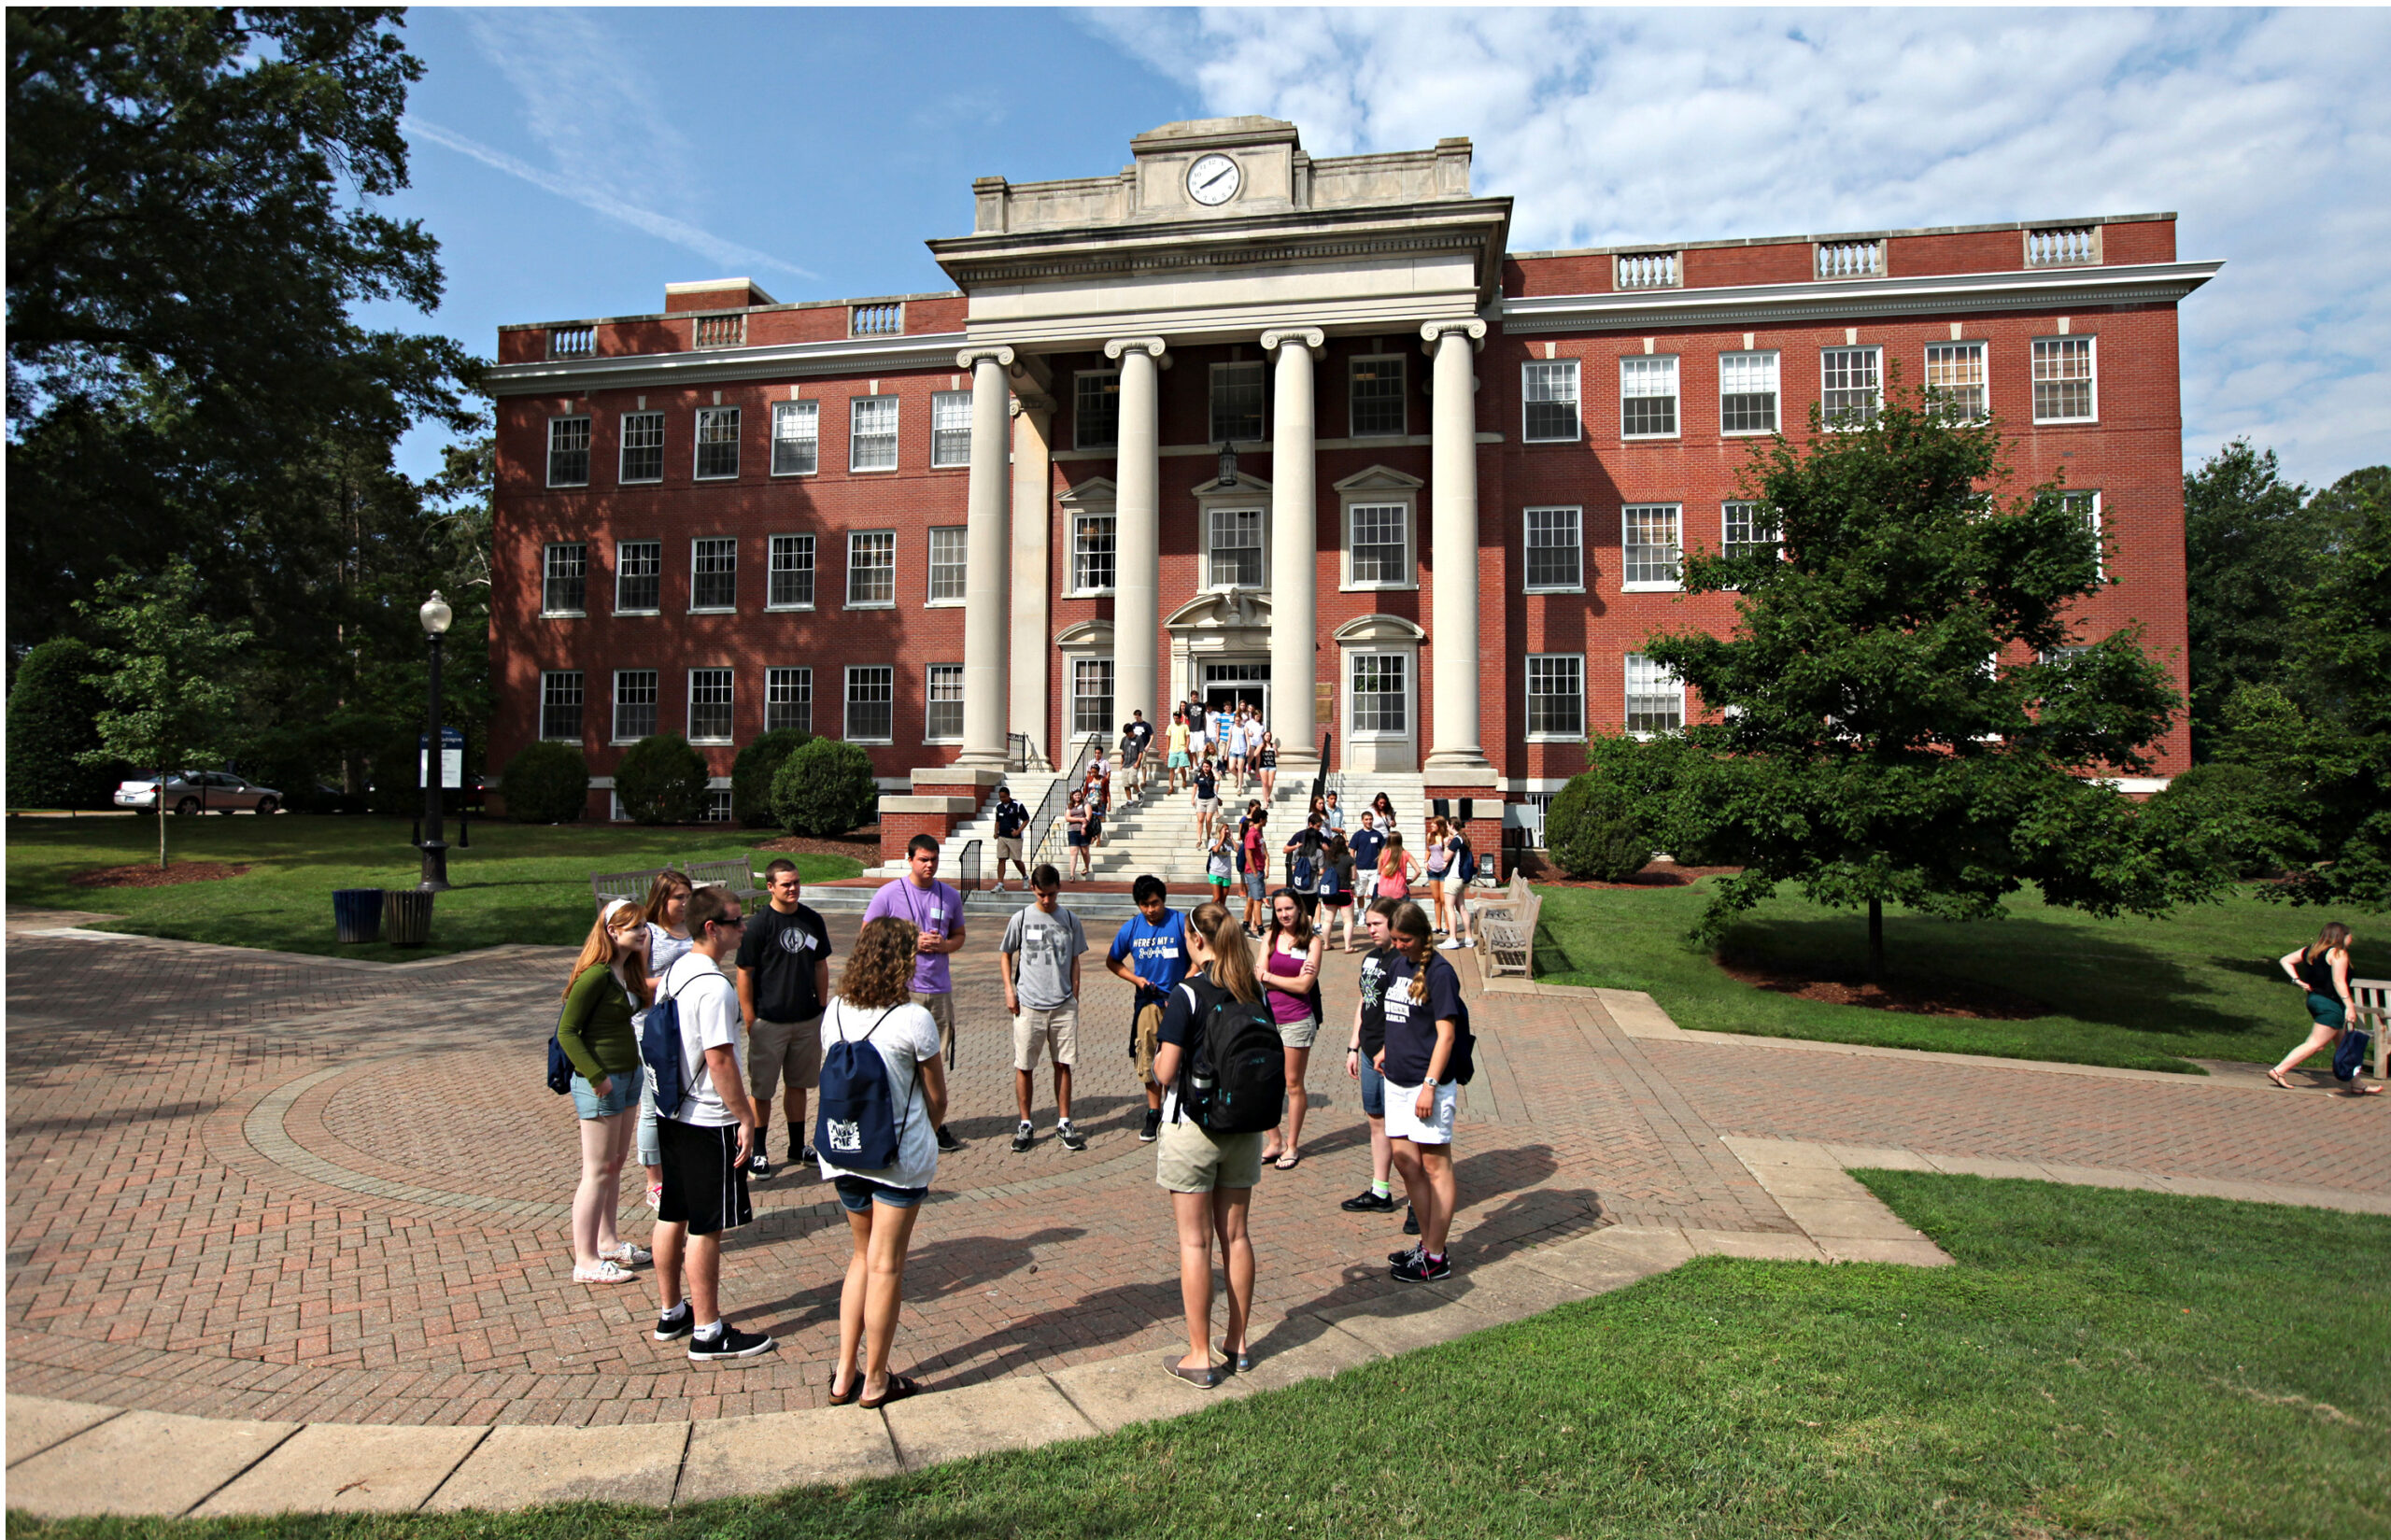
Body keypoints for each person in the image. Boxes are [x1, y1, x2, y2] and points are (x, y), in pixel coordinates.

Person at [818, 916, 947, 1408]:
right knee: (887, 1265)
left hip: (845, 1151)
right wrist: (929, 1131)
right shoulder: (914, 1019)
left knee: (860, 1257)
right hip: (896, 1158)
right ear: (904, 960)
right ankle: (875, 1379)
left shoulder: (834, 1011)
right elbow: (938, 1098)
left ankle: (844, 1371)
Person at [651, 884, 774, 1360]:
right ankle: (708, 1331)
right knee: (706, 1225)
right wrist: (745, 1116)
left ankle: (671, 1311)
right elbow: (720, 1059)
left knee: (672, 1212)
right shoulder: (713, 986)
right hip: (707, 1116)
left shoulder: (676, 970)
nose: (743, 929)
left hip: (671, 1110)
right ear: (711, 928)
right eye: (735, 922)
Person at [1151, 903, 1266, 1387]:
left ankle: (1198, 1354)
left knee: (1194, 1243)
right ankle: (1237, 1342)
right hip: (1244, 1126)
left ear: (1197, 940)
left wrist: (1157, 1049)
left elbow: (1165, 1071)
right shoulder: (1252, 988)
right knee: (1236, 1237)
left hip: (1193, 1127)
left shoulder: (1188, 993)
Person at [558, 900, 653, 1284]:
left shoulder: (625, 970)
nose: (643, 932)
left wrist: (642, 958)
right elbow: (567, 1031)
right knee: (596, 1171)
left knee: (614, 1164)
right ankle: (585, 1259)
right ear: (612, 931)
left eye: (644, 926)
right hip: (602, 1081)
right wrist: (596, 1076)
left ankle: (608, 1241)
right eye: (634, 928)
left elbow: (643, 1003)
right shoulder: (594, 976)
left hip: (629, 1077)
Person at [1377, 900, 1466, 1282]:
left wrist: (1430, 1086)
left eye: (1405, 939)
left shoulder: (1441, 973)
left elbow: (1446, 1035)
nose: (1398, 945)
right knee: (1404, 1159)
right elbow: (1398, 1015)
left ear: (1422, 934)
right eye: (1395, 938)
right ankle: (1426, 1243)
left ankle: (1436, 1254)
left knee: (1434, 1164)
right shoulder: (1399, 963)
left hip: (1426, 1084)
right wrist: (1385, 1049)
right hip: (1395, 1079)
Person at [862, 835, 968, 1151]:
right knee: (900, 1060)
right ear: (909, 859)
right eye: (923, 859)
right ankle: (899, 1122)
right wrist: (910, 943)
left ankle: (932, 1125)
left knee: (934, 1060)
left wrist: (944, 945)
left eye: (934, 859)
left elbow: (960, 935)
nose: (929, 865)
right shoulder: (889, 894)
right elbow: (867, 936)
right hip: (902, 990)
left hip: (938, 990)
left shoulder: (948, 895)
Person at [735, 858, 832, 1178]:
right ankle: (758, 1151)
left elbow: (820, 964)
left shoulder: (812, 920)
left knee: (799, 1085)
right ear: (770, 887)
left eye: (796, 882)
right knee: (762, 1089)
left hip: (805, 1020)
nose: (793, 888)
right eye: (786, 884)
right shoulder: (759, 925)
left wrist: (821, 1007)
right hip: (768, 1021)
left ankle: (796, 1146)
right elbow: (744, 973)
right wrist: (750, 1018)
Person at [999, 864, 1089, 1151]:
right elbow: (1006, 953)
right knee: (1024, 1065)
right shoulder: (1022, 917)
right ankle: (1025, 1123)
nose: (1047, 901)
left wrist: (1074, 993)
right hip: (1029, 1005)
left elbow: (1076, 958)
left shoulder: (1070, 920)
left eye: (1051, 894)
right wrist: (1009, 990)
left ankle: (1064, 1121)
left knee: (1063, 1064)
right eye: (1041, 895)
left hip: (1062, 1005)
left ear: (1059, 888)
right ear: (1033, 891)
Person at [1108, 874, 1193, 1144]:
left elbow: (1199, 959)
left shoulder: (1180, 923)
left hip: (1180, 1002)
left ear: (1163, 900)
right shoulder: (1131, 928)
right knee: (1148, 1057)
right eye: (1144, 905)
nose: (1150, 910)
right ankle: (1154, 1112)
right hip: (1149, 1003)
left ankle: (1178, 1106)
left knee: (1183, 1057)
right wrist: (1136, 979)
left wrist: (1184, 983)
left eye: (1155, 903)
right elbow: (1113, 961)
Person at [633, 869, 697, 1214]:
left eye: (688, 897)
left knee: (682, 1101)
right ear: (662, 899)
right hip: (652, 1028)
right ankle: (653, 1180)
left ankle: (680, 1166)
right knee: (653, 1105)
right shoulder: (649, 934)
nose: (685, 904)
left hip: (687, 1026)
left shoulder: (692, 930)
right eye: (678, 898)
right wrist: (675, 979)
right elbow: (638, 985)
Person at [1340, 898, 1405, 1219]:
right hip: (1367, 1052)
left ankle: (1419, 1203)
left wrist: (1387, 1049)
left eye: (1376, 923)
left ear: (1394, 924)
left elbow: (1406, 1014)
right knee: (1376, 1120)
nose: (1370, 928)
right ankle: (1381, 1190)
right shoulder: (1370, 958)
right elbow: (1365, 1002)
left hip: (1391, 1056)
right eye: (1367, 923)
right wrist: (1354, 1045)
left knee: (1402, 1130)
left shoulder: (1401, 961)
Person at [1259, 887, 1324, 1170]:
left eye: (1288, 908)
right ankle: (1274, 1140)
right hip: (1267, 1018)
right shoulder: (1270, 937)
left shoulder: (1313, 942)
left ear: (1299, 908)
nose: (1284, 914)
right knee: (1260, 1080)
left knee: (1292, 1082)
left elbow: (1304, 986)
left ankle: (1293, 1145)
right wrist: (1275, 979)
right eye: (1279, 910)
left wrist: (1271, 978)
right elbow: (1257, 975)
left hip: (1297, 1020)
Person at [2269, 923, 2376, 1093]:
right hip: (2331, 1004)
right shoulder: (2339, 954)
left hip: (2315, 1000)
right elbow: (2338, 981)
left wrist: (2297, 980)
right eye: (2349, 935)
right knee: (2315, 1043)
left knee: (2343, 1044)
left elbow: (2286, 960)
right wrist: (2350, 1006)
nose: (2352, 939)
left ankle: (2357, 1084)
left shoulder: (2312, 951)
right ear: (2342, 936)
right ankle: (2279, 1070)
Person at [1317, 831, 1357, 952]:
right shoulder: (1349, 859)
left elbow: (1323, 872)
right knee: (1348, 921)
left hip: (1330, 892)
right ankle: (1348, 946)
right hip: (1344, 890)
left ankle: (1327, 944)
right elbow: (1354, 876)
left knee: (1328, 920)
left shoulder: (1328, 858)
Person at [989, 784, 1030, 893]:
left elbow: (1026, 819)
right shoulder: (999, 806)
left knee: (1016, 860)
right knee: (1001, 859)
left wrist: (1018, 831)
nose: (1002, 799)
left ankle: (1025, 877)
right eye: (1000, 797)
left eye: (1004, 797)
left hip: (1014, 837)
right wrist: (995, 832)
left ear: (1008, 796)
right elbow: (997, 820)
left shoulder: (1017, 805)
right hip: (1002, 836)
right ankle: (1000, 883)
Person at [1423, 815, 1456, 938]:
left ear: (1440, 825)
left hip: (1443, 870)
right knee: (1436, 899)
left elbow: (1451, 852)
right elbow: (1428, 850)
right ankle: (1438, 925)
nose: (1431, 826)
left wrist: (1446, 862)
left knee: (1444, 900)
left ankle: (1447, 926)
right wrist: (1425, 862)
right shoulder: (1430, 836)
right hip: (1432, 870)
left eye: (1433, 824)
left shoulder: (1448, 837)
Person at [1240, 808, 1270, 937]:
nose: (1266, 821)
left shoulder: (1258, 833)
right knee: (1258, 900)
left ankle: (1245, 924)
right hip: (1254, 870)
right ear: (1261, 819)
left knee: (1252, 899)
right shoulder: (1252, 834)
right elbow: (1249, 853)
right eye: (1265, 819)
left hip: (1258, 868)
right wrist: (1254, 871)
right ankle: (1260, 928)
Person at [1348, 811, 1385, 903]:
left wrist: (1380, 861)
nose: (1369, 821)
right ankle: (1361, 913)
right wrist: (1353, 865)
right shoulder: (1358, 835)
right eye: (1366, 819)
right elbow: (1352, 850)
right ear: (1362, 820)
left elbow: (1384, 850)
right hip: (1361, 869)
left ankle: (1372, 912)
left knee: (1375, 894)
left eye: (1370, 819)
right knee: (1360, 893)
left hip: (1374, 869)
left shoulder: (1378, 834)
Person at [1377, 830, 1422, 902]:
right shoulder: (1405, 854)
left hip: (1384, 889)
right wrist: (1411, 880)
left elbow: (1379, 871)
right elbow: (1418, 871)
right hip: (1399, 890)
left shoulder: (1383, 853)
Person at [1205, 823, 1236, 910]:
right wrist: (1221, 839)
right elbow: (1215, 849)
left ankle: (1220, 917)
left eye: (1227, 829)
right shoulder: (1213, 841)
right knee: (1217, 897)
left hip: (1226, 873)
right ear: (1219, 830)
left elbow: (1238, 849)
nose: (1227, 831)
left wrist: (1232, 839)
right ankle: (1209, 913)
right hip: (1215, 872)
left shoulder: (1229, 842)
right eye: (1225, 829)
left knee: (1223, 900)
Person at [1192, 756, 1221, 847]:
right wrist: (1192, 798)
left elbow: (1218, 778)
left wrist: (1213, 770)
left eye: (1207, 766)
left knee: (1208, 820)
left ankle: (1208, 835)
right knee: (1200, 820)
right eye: (1204, 766)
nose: (1205, 768)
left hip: (1211, 799)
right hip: (1201, 799)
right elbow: (1195, 787)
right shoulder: (1198, 776)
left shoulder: (1212, 775)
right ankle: (1199, 839)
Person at [1065, 787, 1092, 880]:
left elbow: (1088, 817)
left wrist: (1084, 827)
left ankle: (1087, 867)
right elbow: (1068, 818)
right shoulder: (1070, 806)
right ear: (1072, 796)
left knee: (1085, 852)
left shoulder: (1085, 803)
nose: (1077, 796)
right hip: (1072, 830)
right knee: (1073, 853)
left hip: (1083, 830)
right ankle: (1072, 874)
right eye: (1075, 795)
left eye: (1079, 795)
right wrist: (1079, 819)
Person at [1165, 710, 1193, 794]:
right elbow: (1168, 739)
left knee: (1182, 767)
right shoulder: (1170, 726)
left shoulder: (1185, 726)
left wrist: (1187, 747)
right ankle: (1171, 787)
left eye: (1177, 718)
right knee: (1171, 769)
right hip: (1173, 750)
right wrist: (1167, 750)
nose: (1175, 720)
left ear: (1180, 718)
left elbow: (1188, 737)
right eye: (1174, 718)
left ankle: (1184, 780)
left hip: (1182, 749)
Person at [1256, 730, 1279, 803]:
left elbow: (1277, 755)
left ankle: (1268, 796)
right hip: (1263, 766)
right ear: (1264, 737)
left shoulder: (1273, 745)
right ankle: (1265, 801)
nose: (1268, 737)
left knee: (1270, 783)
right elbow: (1255, 754)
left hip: (1272, 766)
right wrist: (1260, 747)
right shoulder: (1261, 745)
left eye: (1269, 736)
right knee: (1265, 783)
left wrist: (1276, 749)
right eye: (1266, 735)